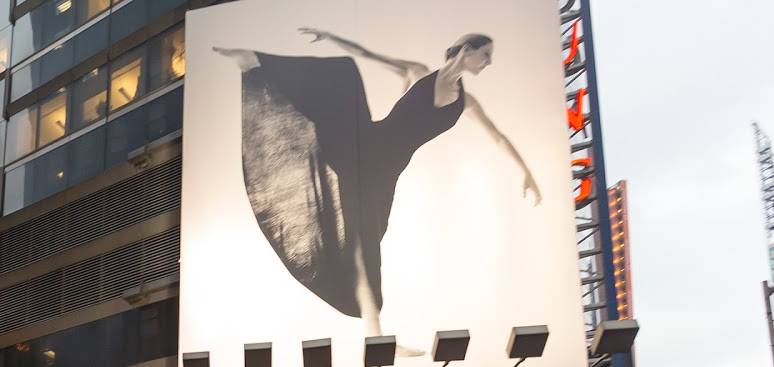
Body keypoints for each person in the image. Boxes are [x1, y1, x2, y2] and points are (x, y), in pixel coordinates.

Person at [217, 31, 541, 340]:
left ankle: (375, 335)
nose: (488, 62)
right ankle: (253, 61)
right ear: (467, 50)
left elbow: (498, 136)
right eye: (485, 54)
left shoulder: (467, 103)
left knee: (365, 247)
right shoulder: (418, 72)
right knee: (345, 71)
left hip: (385, 171)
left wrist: (525, 171)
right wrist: (331, 38)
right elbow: (366, 54)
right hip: (365, 145)